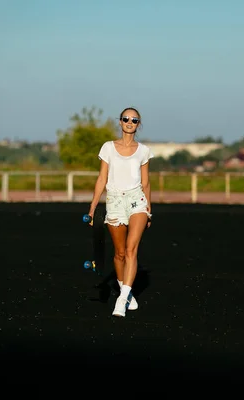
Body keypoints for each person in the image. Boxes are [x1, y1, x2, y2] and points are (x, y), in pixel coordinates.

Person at [87, 107, 154, 317]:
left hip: (137, 200)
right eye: (126, 119)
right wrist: (92, 207)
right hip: (115, 200)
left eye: (134, 120)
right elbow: (101, 179)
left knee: (132, 249)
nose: (129, 122)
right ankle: (128, 291)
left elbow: (146, 182)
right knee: (120, 254)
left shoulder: (143, 151)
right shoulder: (108, 147)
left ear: (138, 125)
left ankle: (122, 298)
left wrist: (149, 208)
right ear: (120, 122)